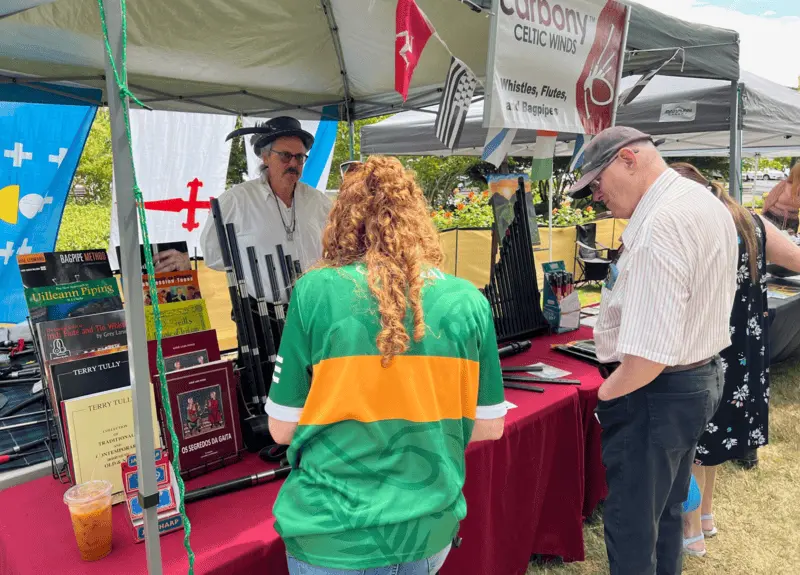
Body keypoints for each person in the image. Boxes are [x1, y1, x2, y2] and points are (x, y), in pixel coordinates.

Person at [265, 156, 506, 574]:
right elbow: (489, 425)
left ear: (343, 218)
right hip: (426, 529)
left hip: (332, 531)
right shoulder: (468, 301)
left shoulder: (314, 291)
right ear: (416, 217)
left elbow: (282, 429)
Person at [568, 127, 738, 575]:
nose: (596, 196)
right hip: (692, 378)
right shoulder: (699, 199)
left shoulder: (660, 224)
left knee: (632, 525)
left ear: (628, 158)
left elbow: (647, 356)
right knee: (663, 512)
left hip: (656, 390)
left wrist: (607, 397)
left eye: (597, 183)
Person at [671, 162, 800, 556]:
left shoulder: (702, 225)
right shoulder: (750, 220)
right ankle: (705, 516)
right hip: (746, 343)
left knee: (698, 436)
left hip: (709, 340)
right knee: (719, 431)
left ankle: (690, 530)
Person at [199, 116, 332, 302]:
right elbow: (213, 254)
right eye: (285, 156)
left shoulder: (319, 202)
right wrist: (253, 264)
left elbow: (334, 250)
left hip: (312, 309)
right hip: (261, 316)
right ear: (266, 157)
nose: (293, 164)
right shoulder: (236, 200)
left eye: (299, 157)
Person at [761, 163, 800, 233]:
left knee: (789, 242)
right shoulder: (783, 185)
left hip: (791, 222)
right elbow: (769, 200)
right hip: (773, 219)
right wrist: (762, 214)